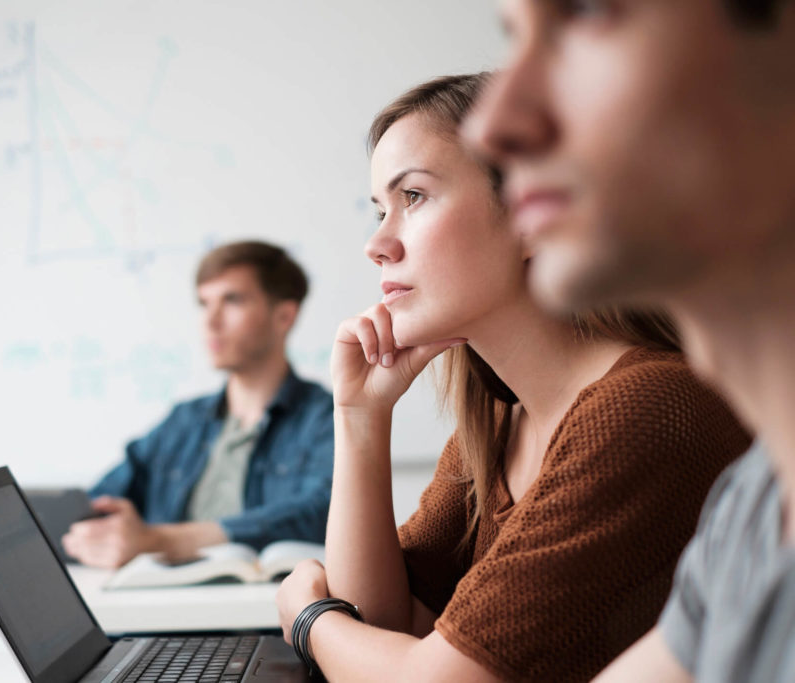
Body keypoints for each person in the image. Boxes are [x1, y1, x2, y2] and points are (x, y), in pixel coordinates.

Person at [274, 74, 751, 682]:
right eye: (379, 211)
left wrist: (309, 618)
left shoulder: (647, 406)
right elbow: (385, 625)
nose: (377, 244)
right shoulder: (500, 422)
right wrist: (361, 418)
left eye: (413, 197)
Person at [464, 1, 795, 680]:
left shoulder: (647, 406)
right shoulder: (755, 505)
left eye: (586, 14)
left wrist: (309, 616)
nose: (493, 126)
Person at [62, 241, 334, 568]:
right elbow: (101, 501)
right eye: (204, 304)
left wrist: (160, 540)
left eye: (231, 301)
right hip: (163, 610)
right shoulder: (184, 421)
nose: (210, 321)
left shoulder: (325, 418)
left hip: (268, 613)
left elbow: (322, 511)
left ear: (284, 316)